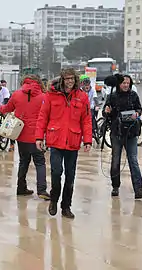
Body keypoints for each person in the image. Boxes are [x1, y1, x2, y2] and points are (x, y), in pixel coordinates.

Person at [35, 68, 93, 219]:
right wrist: (39, 137)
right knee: (56, 172)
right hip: (55, 140)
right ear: (62, 80)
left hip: (73, 142)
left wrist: (87, 140)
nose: (70, 81)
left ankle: (66, 206)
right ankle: (54, 200)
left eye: (72, 79)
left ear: (76, 80)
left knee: (70, 176)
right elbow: (43, 117)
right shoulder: (51, 95)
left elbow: (86, 120)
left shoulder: (82, 97)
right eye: (67, 79)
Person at [0, 75, 50, 200]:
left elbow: (7, 108)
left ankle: (21, 188)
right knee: (40, 162)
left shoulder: (16, 94)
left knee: (23, 161)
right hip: (37, 136)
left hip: (20, 134)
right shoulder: (44, 97)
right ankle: (42, 190)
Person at [103, 74, 142, 199]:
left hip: (132, 132)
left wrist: (137, 114)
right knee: (115, 160)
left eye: (128, 83)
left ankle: (138, 189)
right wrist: (107, 111)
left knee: (133, 160)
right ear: (119, 84)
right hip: (116, 133)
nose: (126, 85)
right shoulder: (111, 96)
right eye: (124, 83)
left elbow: (139, 109)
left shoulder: (133, 96)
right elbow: (105, 113)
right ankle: (115, 186)